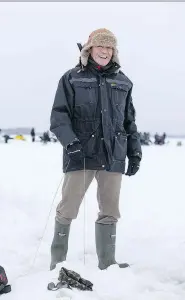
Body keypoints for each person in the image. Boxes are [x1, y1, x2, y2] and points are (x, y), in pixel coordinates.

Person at [49, 29, 142, 271]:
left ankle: (108, 264)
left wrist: (134, 151)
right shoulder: (71, 78)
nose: (105, 51)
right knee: (67, 209)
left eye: (110, 47)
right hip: (81, 154)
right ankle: (57, 261)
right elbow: (59, 117)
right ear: (89, 49)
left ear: (115, 52)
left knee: (110, 210)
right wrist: (71, 143)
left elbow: (129, 121)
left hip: (113, 155)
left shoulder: (123, 82)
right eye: (100, 46)